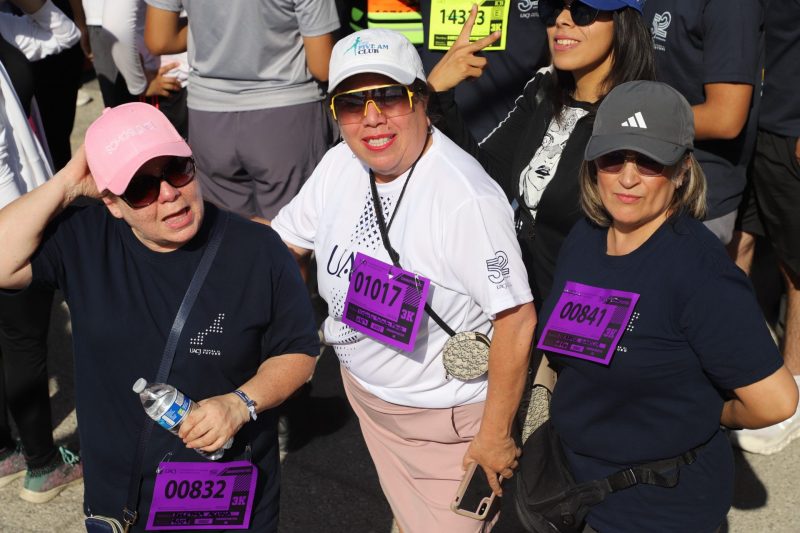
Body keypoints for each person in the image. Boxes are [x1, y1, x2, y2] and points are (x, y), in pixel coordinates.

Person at [0, 102, 319, 531]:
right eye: (140, 188)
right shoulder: (84, 238)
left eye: (177, 169)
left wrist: (240, 404)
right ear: (111, 202)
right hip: (122, 496)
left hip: (227, 491)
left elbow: (298, 352)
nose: (168, 193)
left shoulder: (258, 250)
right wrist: (67, 183)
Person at [271, 28, 536, 532]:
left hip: (443, 423)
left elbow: (517, 319)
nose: (371, 118)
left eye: (390, 97)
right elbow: (287, 243)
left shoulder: (465, 199)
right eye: (351, 104)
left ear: (422, 99)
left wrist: (494, 436)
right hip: (368, 400)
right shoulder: (340, 163)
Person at [534, 80, 798, 532]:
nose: (628, 177)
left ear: (682, 171)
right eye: (613, 158)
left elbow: (776, 401)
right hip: (567, 487)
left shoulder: (700, 275)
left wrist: (713, 412)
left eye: (650, 161)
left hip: (656, 508)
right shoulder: (584, 238)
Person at [427, 0, 655, 306]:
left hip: (583, 315)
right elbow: (487, 179)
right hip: (520, 305)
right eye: (554, 8)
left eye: (583, 11)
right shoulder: (543, 90)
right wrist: (437, 96)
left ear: (624, 24)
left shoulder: (640, 117)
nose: (562, 20)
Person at [143, 0, 340, 219]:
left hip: (209, 116)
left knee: (228, 229)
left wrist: (215, 27)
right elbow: (322, 66)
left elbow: (160, 40)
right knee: (294, 228)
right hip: (286, 112)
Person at [728, 0, 800, 456]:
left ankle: (793, 394)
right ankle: (741, 372)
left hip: (788, 125)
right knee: (737, 244)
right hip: (745, 120)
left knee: (796, 267)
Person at [642, 0, 761, 246]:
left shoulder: (731, 6)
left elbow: (725, 118)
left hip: (695, 194)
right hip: (642, 171)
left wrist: (634, 120)